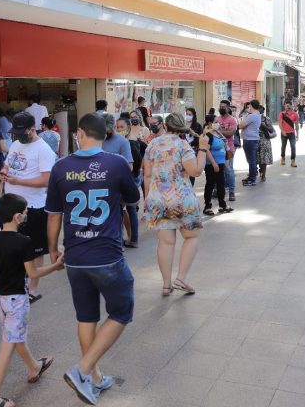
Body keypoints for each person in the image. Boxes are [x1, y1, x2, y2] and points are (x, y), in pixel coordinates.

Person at [45, 113, 141, 405]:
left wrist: (53, 249)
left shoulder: (61, 166)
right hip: (107, 255)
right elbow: (133, 199)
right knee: (122, 311)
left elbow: (54, 215)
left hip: (75, 257)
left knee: (86, 317)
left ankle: (94, 378)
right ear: (105, 134)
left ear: (80, 133)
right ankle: (82, 370)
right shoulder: (116, 164)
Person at [0, 194, 64, 407]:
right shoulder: (24, 242)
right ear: (17, 216)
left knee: (15, 336)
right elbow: (33, 273)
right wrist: (55, 266)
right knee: (7, 347)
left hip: (0, 299)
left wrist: (0, 277)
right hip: (17, 300)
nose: (26, 216)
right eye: (25, 213)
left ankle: (34, 367)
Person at [143, 112, 207, 296]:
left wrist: (148, 199)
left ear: (166, 125)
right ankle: (181, 278)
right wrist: (202, 150)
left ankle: (166, 285)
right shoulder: (182, 145)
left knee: (166, 242)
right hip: (182, 198)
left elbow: (147, 175)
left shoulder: (152, 145)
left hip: (158, 199)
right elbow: (195, 171)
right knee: (191, 237)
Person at [0, 111, 57, 303]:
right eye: (15, 133)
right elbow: (7, 164)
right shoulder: (16, 144)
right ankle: (19, 282)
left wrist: (18, 181)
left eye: (21, 132)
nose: (18, 136)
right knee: (14, 248)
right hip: (12, 205)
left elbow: (46, 180)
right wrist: (4, 172)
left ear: (33, 129)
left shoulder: (43, 150)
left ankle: (32, 288)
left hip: (33, 207)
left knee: (35, 250)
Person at [116, 117, 144, 248]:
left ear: (128, 127)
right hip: (126, 179)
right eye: (117, 127)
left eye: (121, 127)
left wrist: (135, 176)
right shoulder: (125, 141)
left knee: (129, 208)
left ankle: (132, 239)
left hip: (130, 179)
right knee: (126, 209)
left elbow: (138, 161)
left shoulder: (131, 142)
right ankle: (130, 238)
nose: (119, 129)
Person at [201, 115, 232, 215]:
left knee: (221, 184)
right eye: (215, 122)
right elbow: (206, 150)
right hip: (211, 164)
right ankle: (207, 206)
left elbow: (224, 145)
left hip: (221, 162)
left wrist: (226, 159)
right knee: (210, 184)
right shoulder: (207, 135)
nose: (218, 123)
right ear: (210, 123)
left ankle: (222, 205)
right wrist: (214, 163)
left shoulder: (218, 133)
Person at [238, 99, 262, 187]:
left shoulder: (252, 116)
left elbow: (241, 125)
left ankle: (252, 179)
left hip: (249, 140)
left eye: (249, 106)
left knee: (251, 160)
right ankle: (251, 177)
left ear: (251, 106)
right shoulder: (257, 114)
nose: (248, 107)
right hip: (253, 139)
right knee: (252, 159)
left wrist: (242, 120)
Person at [217, 100, 238, 201]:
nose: (221, 108)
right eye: (220, 106)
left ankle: (232, 192)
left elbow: (230, 134)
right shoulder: (217, 119)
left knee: (229, 170)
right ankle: (218, 190)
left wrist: (218, 130)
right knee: (218, 170)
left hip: (228, 149)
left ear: (228, 108)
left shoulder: (232, 120)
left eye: (224, 106)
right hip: (217, 149)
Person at [277, 101, 299, 167]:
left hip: (292, 133)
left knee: (293, 146)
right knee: (283, 146)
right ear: (284, 106)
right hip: (284, 133)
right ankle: (283, 158)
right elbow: (280, 123)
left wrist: (297, 134)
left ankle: (293, 161)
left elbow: (296, 124)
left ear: (291, 106)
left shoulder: (295, 114)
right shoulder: (282, 114)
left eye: (289, 105)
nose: (287, 107)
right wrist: (282, 131)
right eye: (286, 105)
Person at [185, 107, 203, 186]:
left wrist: (191, 144)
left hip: (193, 150)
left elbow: (199, 138)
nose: (188, 116)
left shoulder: (197, 125)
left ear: (193, 115)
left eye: (190, 114)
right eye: (187, 114)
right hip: (183, 149)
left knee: (191, 170)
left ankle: (191, 186)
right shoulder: (183, 125)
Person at [257, 106, 275, 182]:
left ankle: (263, 175)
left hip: (264, 141)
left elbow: (271, 130)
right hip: (255, 140)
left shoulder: (266, 119)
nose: (259, 111)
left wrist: (264, 126)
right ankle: (260, 170)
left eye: (260, 110)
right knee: (257, 158)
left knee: (264, 158)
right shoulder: (252, 118)